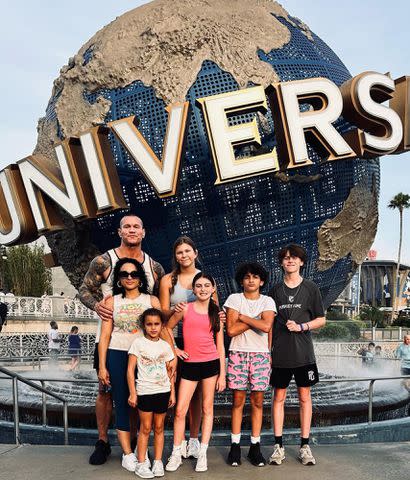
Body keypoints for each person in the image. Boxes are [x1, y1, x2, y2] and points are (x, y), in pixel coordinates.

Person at [78, 214, 167, 465]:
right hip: (110, 339)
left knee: (142, 392)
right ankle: (103, 441)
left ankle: (139, 444)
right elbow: (83, 289)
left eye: (136, 226)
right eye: (126, 226)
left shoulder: (154, 267)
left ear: (143, 232)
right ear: (119, 232)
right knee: (105, 391)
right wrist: (97, 306)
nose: (131, 230)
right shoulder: (105, 260)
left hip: (144, 344)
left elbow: (159, 306)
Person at [98, 258, 170, 472]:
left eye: (134, 274)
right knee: (121, 401)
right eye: (124, 274)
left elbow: (164, 329)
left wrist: (173, 355)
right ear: (119, 279)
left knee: (145, 404)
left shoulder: (152, 300)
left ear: (140, 278)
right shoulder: (112, 302)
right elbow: (105, 336)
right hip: (119, 353)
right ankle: (128, 453)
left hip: (147, 355)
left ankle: (143, 451)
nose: (129, 278)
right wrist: (102, 366)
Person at [160, 235, 222, 459]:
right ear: (175, 256)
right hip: (176, 340)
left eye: (188, 251)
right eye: (179, 252)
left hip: (202, 342)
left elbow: (214, 311)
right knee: (178, 396)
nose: (184, 255)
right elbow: (163, 314)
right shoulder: (168, 280)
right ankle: (178, 444)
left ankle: (194, 440)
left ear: (195, 253)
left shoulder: (205, 280)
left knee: (200, 399)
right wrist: (180, 309)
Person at [268, 244, 325, 467]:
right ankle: (278, 446)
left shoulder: (311, 289)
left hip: (304, 355)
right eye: (286, 258)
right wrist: (268, 351)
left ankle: (304, 446)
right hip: (280, 355)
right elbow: (269, 325)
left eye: (294, 258)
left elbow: (321, 319)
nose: (290, 260)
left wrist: (301, 327)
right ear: (281, 263)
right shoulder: (274, 291)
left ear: (302, 262)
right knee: (278, 399)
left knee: (304, 398)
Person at [165, 272, 226, 473]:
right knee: (181, 409)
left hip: (210, 364)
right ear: (193, 289)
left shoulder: (217, 313)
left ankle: (203, 453)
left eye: (206, 285)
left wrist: (222, 374)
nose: (202, 289)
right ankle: (176, 453)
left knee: (208, 409)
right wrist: (175, 348)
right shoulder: (185, 308)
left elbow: (220, 345)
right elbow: (166, 328)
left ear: (213, 288)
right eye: (198, 286)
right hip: (190, 363)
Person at [225, 262, 276, 467]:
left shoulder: (268, 301)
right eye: (247, 277)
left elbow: (266, 326)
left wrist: (244, 317)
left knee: (257, 402)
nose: (251, 280)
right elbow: (230, 331)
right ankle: (235, 446)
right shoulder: (234, 299)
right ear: (242, 281)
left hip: (261, 355)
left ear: (261, 281)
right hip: (238, 353)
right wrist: (256, 320)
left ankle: (255, 447)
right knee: (237, 401)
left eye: (255, 277)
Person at [128, 308, 176, 478]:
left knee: (159, 427)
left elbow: (171, 371)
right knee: (145, 428)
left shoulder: (165, 346)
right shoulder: (138, 344)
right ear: (144, 325)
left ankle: (157, 462)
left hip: (162, 391)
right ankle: (141, 463)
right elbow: (130, 370)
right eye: (149, 324)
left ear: (162, 325)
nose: (153, 328)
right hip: (145, 391)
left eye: (156, 324)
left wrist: (173, 392)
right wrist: (133, 393)